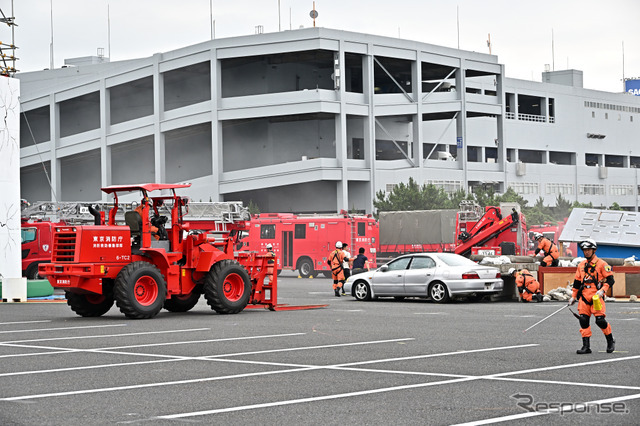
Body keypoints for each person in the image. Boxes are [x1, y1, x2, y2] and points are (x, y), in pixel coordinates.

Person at [568, 239, 616, 354]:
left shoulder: (602, 264)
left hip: (596, 297)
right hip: (584, 297)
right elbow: (577, 283)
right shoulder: (581, 265)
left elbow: (610, 279)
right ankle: (586, 346)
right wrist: (573, 296)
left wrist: (602, 291)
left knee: (600, 321)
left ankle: (610, 340)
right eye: (584, 250)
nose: (586, 252)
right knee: (583, 320)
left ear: (594, 250)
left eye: (589, 250)